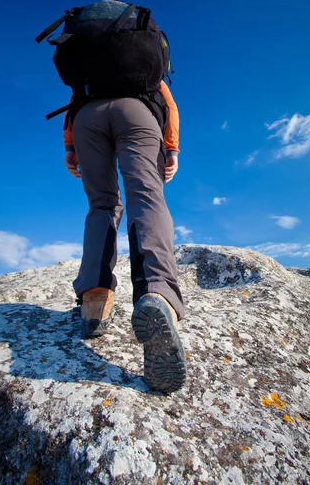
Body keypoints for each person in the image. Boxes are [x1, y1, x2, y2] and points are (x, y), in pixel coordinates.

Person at [63, 80, 186, 394]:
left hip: (86, 119)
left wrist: (70, 146)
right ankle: (157, 293)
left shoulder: (90, 58)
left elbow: (74, 100)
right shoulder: (141, 53)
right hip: (137, 110)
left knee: (102, 203)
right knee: (146, 196)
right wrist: (171, 147)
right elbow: (167, 103)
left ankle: (94, 298)